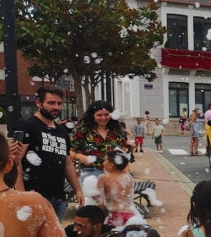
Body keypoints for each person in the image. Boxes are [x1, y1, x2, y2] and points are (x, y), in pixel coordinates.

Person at [13, 86, 84, 219]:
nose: (56, 107)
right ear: (38, 103)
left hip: (58, 197)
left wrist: (77, 190)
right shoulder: (27, 127)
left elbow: (67, 164)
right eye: (51, 103)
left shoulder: (62, 131)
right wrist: (22, 195)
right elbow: (16, 161)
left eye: (59, 103)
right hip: (33, 197)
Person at [72, 100, 129, 180]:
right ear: (92, 115)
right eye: (99, 115)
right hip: (90, 175)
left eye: (106, 114)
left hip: (114, 175)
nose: (103, 118)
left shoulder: (118, 132)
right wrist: (79, 156)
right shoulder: (83, 131)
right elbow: (68, 152)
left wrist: (126, 176)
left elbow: (123, 157)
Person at [96, 150, 136, 228]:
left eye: (105, 160)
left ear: (111, 165)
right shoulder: (128, 177)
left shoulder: (103, 178)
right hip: (131, 214)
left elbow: (99, 202)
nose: (103, 163)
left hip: (115, 215)